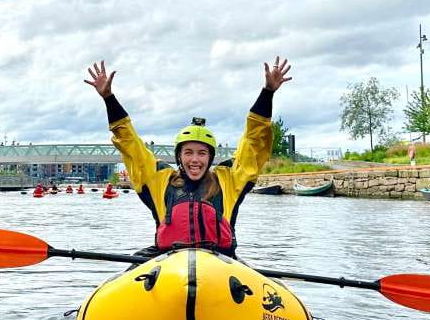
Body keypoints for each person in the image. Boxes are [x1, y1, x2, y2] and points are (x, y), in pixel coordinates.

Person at [85, 57, 292, 258]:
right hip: (168, 260)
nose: (195, 160)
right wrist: (108, 98)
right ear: (179, 156)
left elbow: (254, 143)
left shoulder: (229, 179)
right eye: (188, 152)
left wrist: (268, 93)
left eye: (202, 153)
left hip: (220, 262)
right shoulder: (159, 179)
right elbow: (130, 144)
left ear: (210, 158)